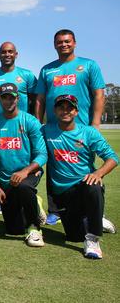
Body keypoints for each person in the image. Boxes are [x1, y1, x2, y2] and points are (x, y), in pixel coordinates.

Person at [35, 29, 107, 226]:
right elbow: (40, 99)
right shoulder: (47, 70)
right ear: (54, 44)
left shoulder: (88, 65)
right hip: (52, 127)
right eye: (59, 42)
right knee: (54, 164)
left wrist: (95, 123)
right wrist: (37, 123)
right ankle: (55, 210)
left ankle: (92, 211)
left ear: (74, 43)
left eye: (67, 41)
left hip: (81, 126)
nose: (63, 44)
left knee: (83, 165)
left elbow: (99, 94)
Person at [43, 94, 118, 259]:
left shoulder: (88, 132)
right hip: (62, 195)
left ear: (76, 112)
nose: (65, 111)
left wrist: (98, 173)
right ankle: (97, 219)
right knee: (74, 237)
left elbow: (113, 158)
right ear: (55, 111)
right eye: (61, 107)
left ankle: (93, 239)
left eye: (70, 108)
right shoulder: (46, 131)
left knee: (94, 186)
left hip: (84, 187)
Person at [0, 83, 47, 247]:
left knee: (24, 187)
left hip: (29, 173)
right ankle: (35, 203)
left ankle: (35, 228)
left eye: (11, 97)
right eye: (4, 97)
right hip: (6, 180)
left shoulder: (30, 121)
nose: (8, 101)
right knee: (14, 229)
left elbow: (42, 154)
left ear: (18, 98)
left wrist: (25, 172)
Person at [0, 42, 37, 118]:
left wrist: (27, 118)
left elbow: (35, 101)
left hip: (22, 126)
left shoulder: (28, 75)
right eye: (3, 52)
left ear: (16, 54)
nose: (7, 54)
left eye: (10, 51)